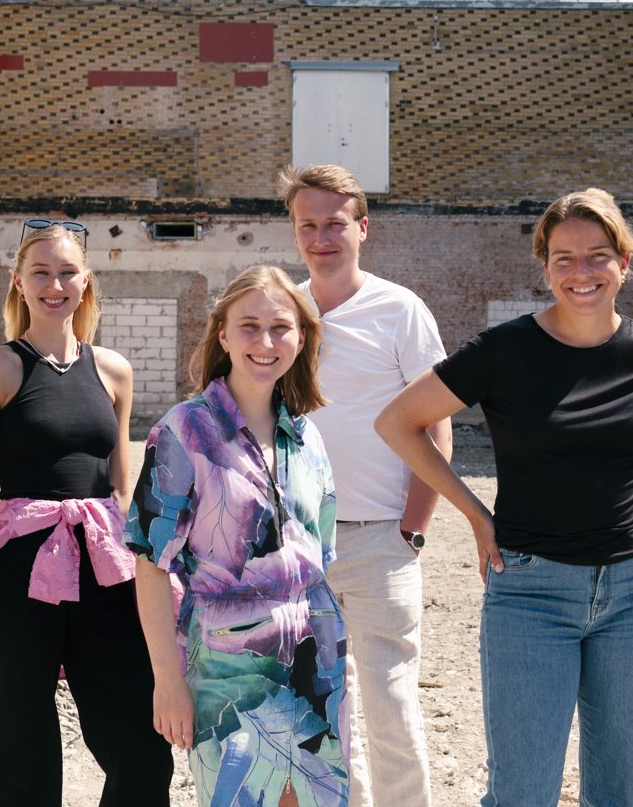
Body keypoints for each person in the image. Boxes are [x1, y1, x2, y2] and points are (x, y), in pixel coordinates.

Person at [377, 188, 633, 807]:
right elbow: (399, 421)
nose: (581, 273)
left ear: (625, 263)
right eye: (564, 258)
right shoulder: (504, 352)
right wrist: (476, 515)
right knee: (522, 793)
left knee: (618, 791)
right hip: (530, 594)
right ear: (545, 266)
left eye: (598, 256)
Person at [0, 219, 172, 806]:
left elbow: (122, 490)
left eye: (67, 272)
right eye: (41, 272)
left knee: (140, 747)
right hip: (17, 575)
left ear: (86, 281)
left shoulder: (114, 371)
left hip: (105, 573)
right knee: (16, 748)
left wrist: (145, 586)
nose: (55, 284)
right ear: (19, 283)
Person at [126, 265, 348, 807]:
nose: (265, 342)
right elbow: (151, 568)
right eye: (249, 326)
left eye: (280, 327)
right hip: (228, 677)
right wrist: (167, 680)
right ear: (222, 334)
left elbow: (320, 557)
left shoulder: (308, 435)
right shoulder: (183, 431)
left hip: (317, 665)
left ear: (302, 338)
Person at [279, 164, 449, 807]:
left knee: (392, 710)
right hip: (297, 546)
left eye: (335, 224)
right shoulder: (284, 312)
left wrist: (412, 528)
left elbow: (435, 427)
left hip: (381, 540)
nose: (322, 238)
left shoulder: (400, 310)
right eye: (308, 226)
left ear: (363, 228)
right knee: (319, 714)